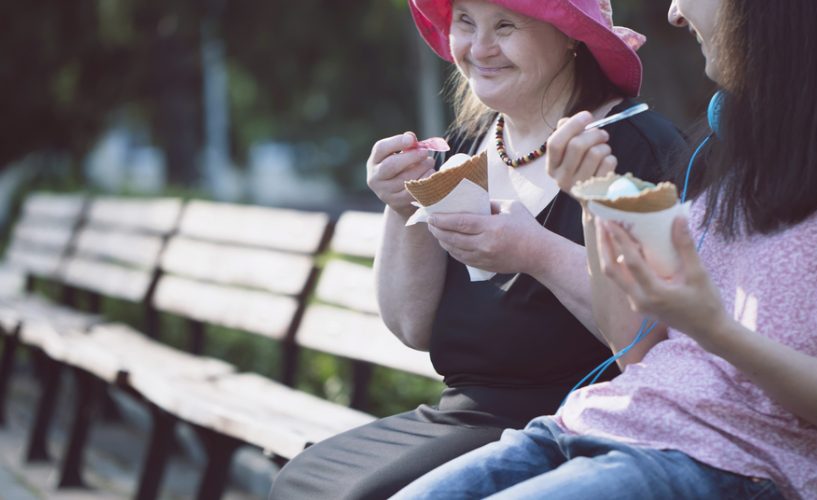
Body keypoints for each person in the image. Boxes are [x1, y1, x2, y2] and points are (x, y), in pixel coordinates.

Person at [392, 0, 817, 499]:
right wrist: (593, 201)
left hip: (735, 467)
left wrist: (713, 327)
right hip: (597, 428)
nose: (676, 13)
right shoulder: (741, 145)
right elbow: (636, 352)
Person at [268, 1, 685, 498]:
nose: (479, 48)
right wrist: (404, 208)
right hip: (458, 417)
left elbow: (663, 345)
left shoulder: (640, 149)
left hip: (570, 432)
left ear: (571, 35)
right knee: (299, 481)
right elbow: (411, 325)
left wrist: (537, 252)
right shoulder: (467, 141)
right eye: (465, 22)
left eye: (505, 25)